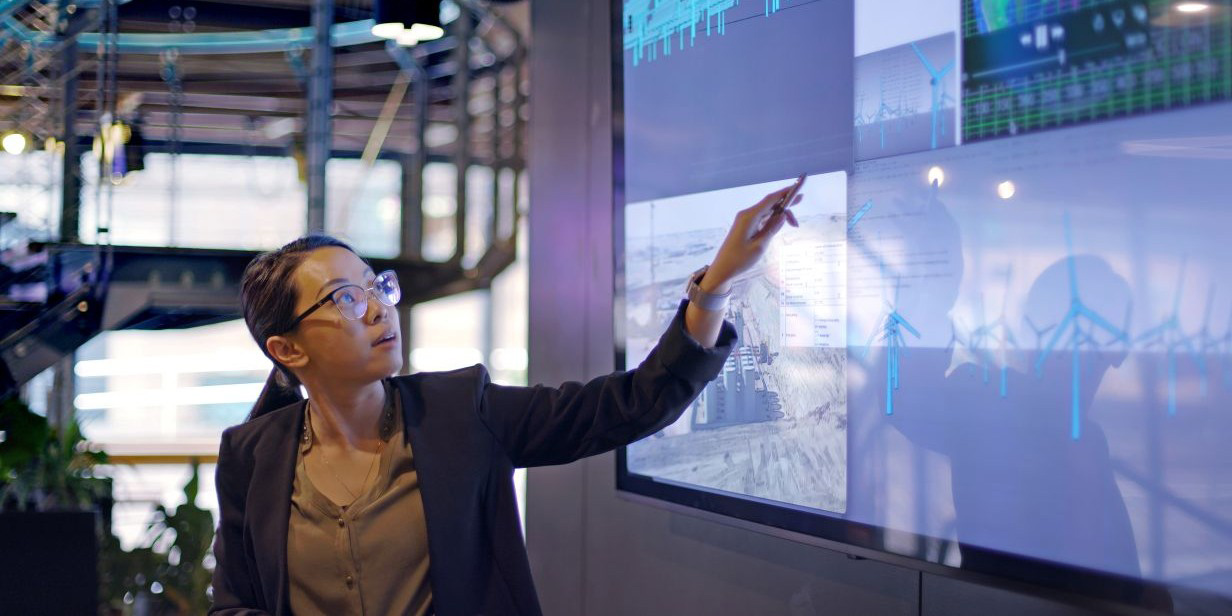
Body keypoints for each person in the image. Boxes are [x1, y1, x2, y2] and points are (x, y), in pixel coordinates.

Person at [209, 184, 803, 615]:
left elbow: (633, 403)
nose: (377, 307)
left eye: (376, 285)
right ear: (287, 350)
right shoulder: (251, 454)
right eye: (344, 298)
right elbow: (234, 604)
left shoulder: (461, 413)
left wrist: (715, 287)